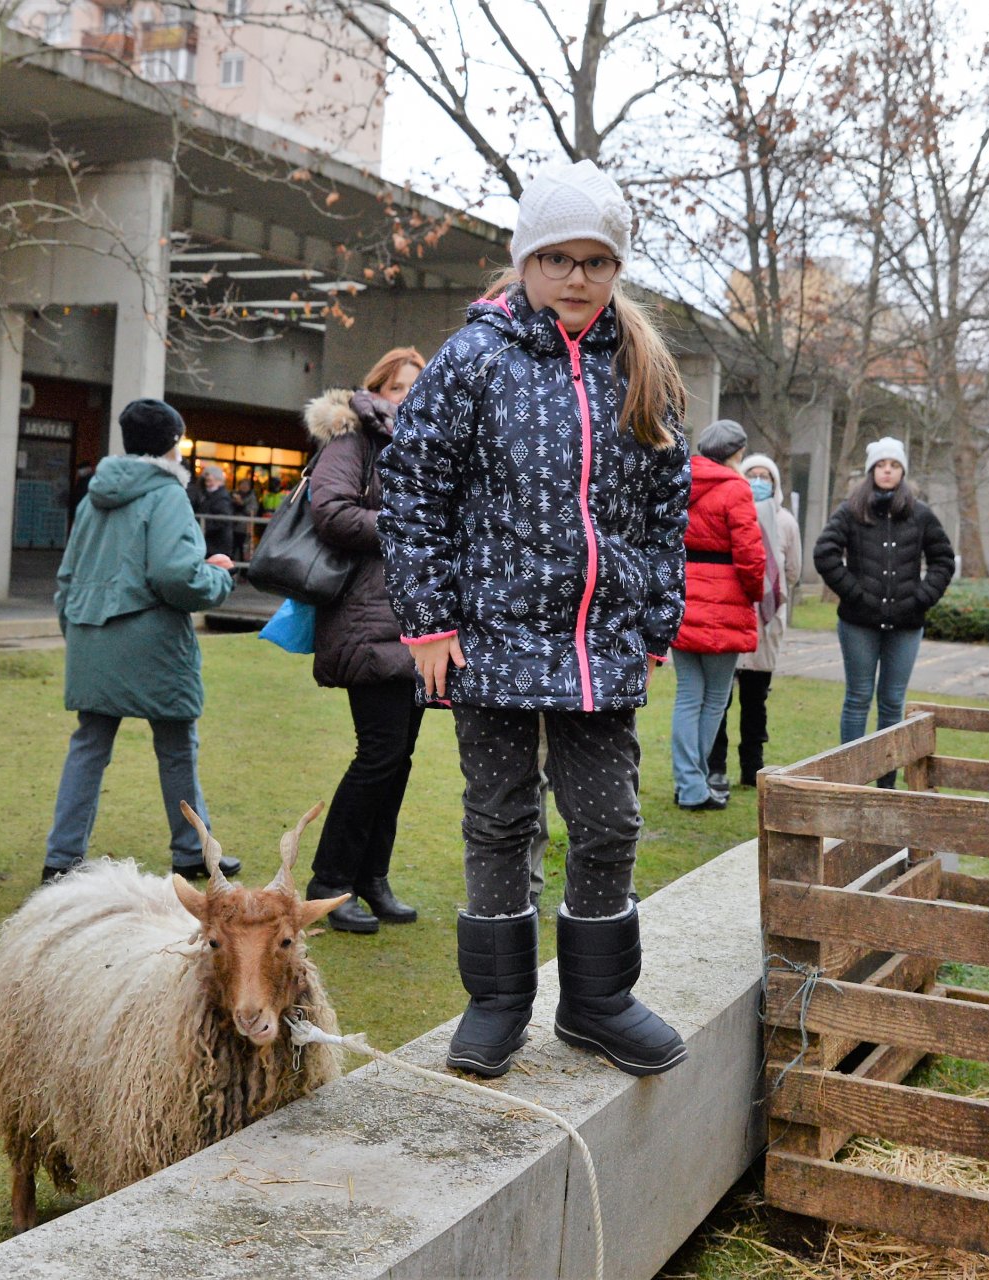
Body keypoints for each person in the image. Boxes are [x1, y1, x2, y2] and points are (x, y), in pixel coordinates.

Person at [380, 158, 692, 1079]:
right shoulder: (474, 360)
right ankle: (498, 1002)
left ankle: (597, 1001)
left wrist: (655, 613)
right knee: (499, 818)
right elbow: (413, 488)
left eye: (596, 261)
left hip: (598, 647)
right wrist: (429, 621)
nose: (577, 278)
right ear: (525, 260)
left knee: (608, 823)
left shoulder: (644, 367)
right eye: (557, 258)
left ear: (616, 269)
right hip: (493, 639)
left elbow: (665, 502)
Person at [40, 400, 237, 885]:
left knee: (89, 745)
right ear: (174, 442)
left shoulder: (93, 497)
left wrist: (78, 629)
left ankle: (61, 860)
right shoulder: (167, 495)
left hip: (91, 634)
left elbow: (69, 573)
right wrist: (217, 579)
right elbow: (174, 575)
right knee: (175, 747)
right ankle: (193, 851)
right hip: (151, 640)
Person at [300, 345, 428, 934]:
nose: (409, 397)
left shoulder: (427, 448)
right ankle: (331, 881)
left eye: (418, 386)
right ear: (376, 390)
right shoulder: (352, 440)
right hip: (365, 618)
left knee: (397, 760)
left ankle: (372, 878)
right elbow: (330, 512)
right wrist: (407, 526)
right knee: (377, 755)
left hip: (413, 622)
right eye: (399, 387)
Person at [812, 436, 955, 785]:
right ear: (871, 470)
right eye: (880, 465)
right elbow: (825, 553)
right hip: (859, 623)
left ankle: (885, 782)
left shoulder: (920, 514)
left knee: (892, 702)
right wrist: (854, 594)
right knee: (858, 697)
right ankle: (849, 777)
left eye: (893, 465)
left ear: (902, 470)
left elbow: (943, 560)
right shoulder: (851, 510)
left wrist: (921, 598)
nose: (887, 471)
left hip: (906, 624)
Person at [668, 419, 764, 811]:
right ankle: (694, 784)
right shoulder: (736, 488)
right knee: (714, 700)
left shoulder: (680, 480)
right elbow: (751, 555)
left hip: (684, 596)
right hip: (724, 600)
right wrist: (754, 595)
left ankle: (687, 782)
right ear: (737, 453)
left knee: (688, 696)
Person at [709, 450, 803, 793]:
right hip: (730, 617)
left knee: (755, 700)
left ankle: (753, 766)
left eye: (766, 477)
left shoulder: (785, 522)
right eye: (753, 475)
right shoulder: (727, 511)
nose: (759, 482)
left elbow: (792, 570)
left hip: (766, 623)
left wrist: (769, 594)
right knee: (720, 699)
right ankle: (714, 766)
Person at [192, 462, 241, 562]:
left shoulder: (220, 498)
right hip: (214, 543)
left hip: (216, 544)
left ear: (218, 480)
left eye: (210, 480)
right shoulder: (212, 495)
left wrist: (203, 527)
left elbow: (221, 520)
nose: (207, 482)